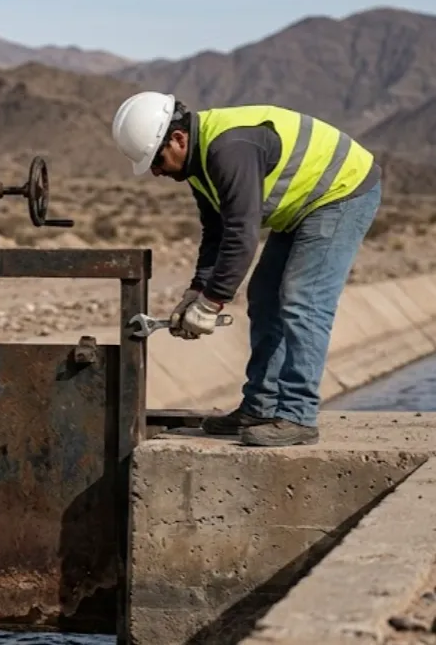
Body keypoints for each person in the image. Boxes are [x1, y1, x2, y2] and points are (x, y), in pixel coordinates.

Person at [111, 92, 382, 448]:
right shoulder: (197, 164)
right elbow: (217, 231)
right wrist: (197, 290)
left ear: (178, 139)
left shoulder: (228, 150)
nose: (157, 172)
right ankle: (261, 407)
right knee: (264, 295)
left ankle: (297, 415)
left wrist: (210, 304)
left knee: (304, 299)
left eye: (157, 161)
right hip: (303, 206)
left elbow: (242, 234)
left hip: (340, 193)